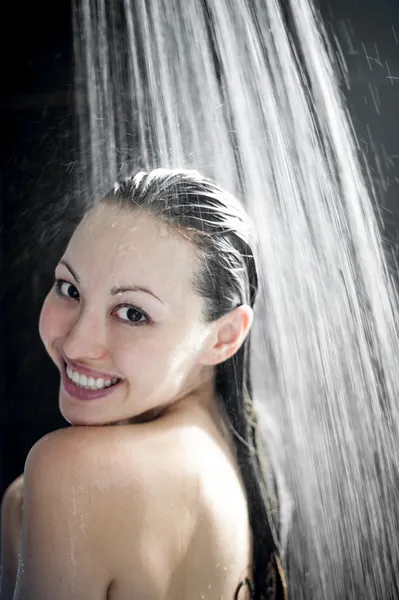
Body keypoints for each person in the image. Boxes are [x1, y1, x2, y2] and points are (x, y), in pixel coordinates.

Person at [0, 168, 288, 600]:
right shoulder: (250, 448)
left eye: (133, 313)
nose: (77, 344)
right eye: (70, 289)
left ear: (223, 336)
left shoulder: (72, 477)